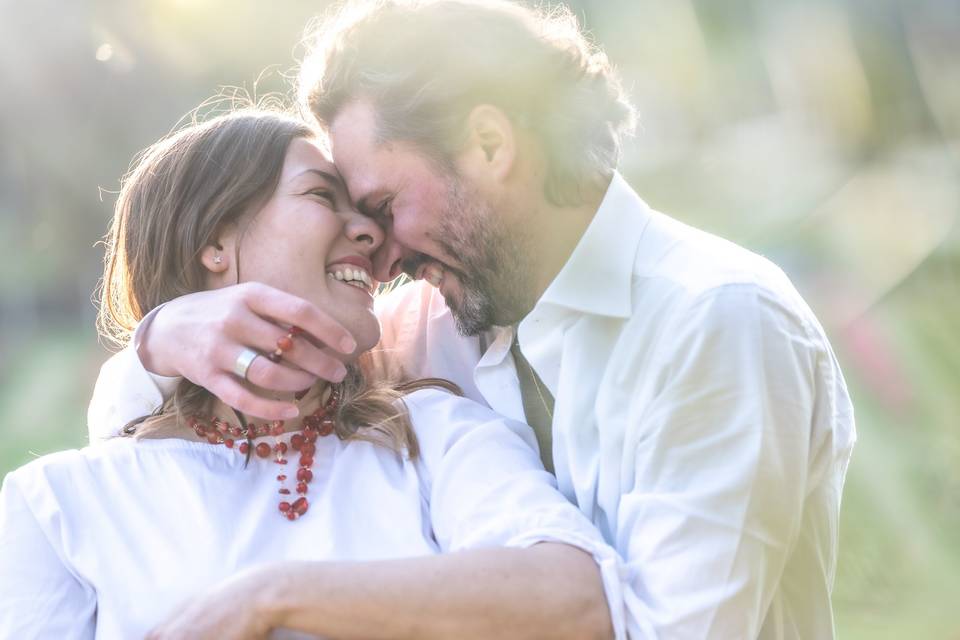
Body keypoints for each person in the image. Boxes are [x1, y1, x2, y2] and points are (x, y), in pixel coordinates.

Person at [89, 0, 857, 637]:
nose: (379, 251)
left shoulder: (716, 322)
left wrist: (282, 595)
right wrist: (162, 341)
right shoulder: (432, 321)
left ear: (490, 145)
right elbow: (158, 443)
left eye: (384, 207)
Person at [0, 108, 625, 639]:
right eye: (323, 196)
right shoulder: (55, 504)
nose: (371, 233)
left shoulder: (434, 436)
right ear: (214, 240)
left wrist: (278, 595)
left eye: (371, 212)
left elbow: (579, 599)